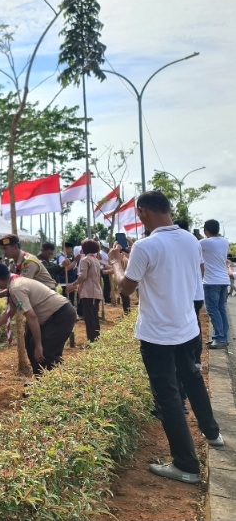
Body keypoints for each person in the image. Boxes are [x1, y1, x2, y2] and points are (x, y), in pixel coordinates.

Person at [109, 191, 223, 484]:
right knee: (192, 378)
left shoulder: (146, 246)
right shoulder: (190, 240)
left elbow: (125, 288)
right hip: (186, 326)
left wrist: (116, 264)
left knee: (167, 396)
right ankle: (212, 433)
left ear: (142, 211)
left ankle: (186, 464)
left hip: (158, 332)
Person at [0, 262, 76, 374]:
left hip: (61, 316)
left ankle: (54, 383)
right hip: (54, 315)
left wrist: (39, 346)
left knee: (46, 352)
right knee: (31, 344)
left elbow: (32, 317)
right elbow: (8, 312)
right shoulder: (14, 281)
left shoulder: (16, 288)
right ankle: (40, 381)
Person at [200, 219, 230, 349]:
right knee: (221, 309)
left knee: (212, 310)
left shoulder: (203, 242)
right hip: (224, 280)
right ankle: (223, 337)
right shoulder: (225, 242)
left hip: (211, 281)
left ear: (206, 230)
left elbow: (196, 247)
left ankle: (219, 338)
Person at [69, 239, 104, 343]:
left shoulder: (85, 260)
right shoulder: (96, 260)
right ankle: (96, 339)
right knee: (94, 317)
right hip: (96, 292)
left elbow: (82, 276)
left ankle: (92, 341)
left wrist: (73, 284)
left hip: (88, 293)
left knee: (89, 319)